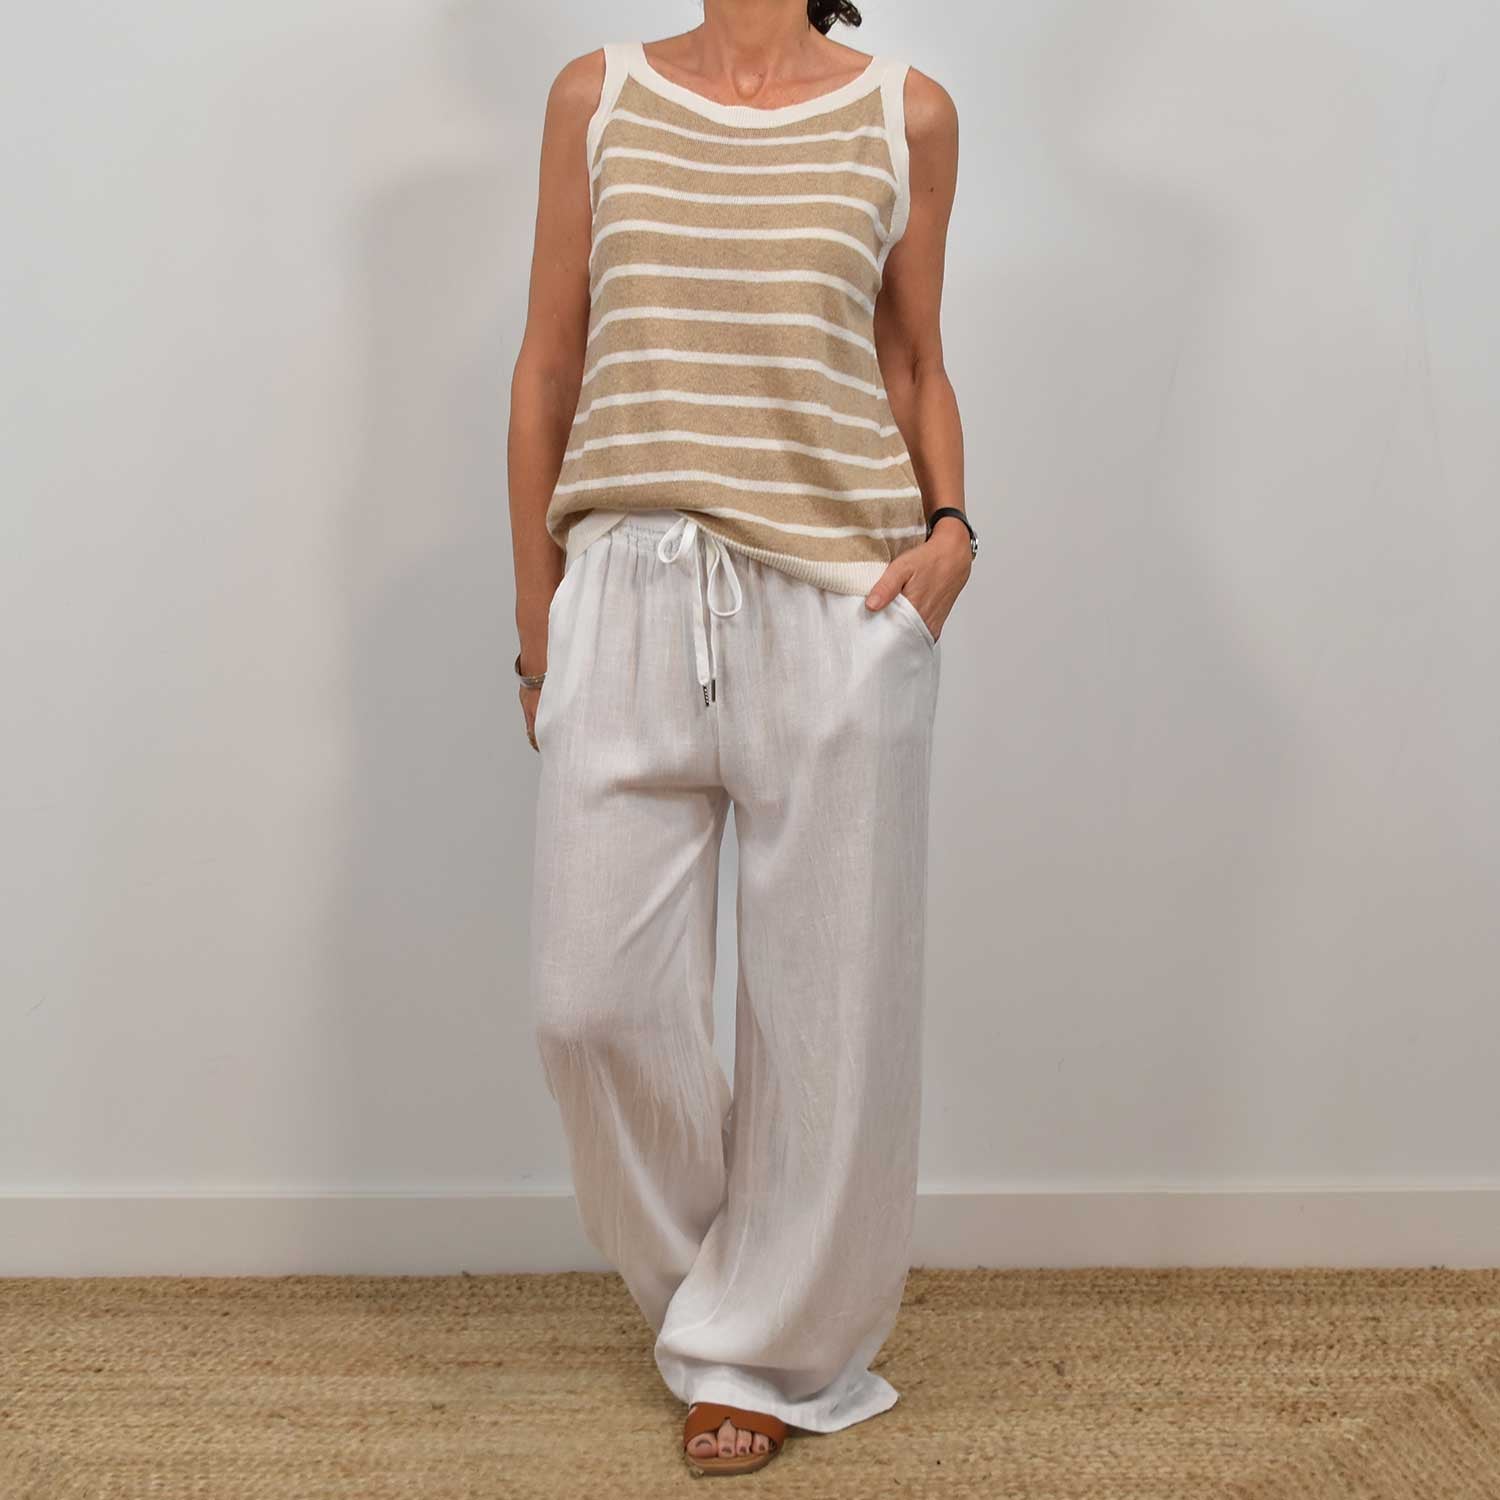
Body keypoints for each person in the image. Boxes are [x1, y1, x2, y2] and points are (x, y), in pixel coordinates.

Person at [507, 0, 968, 1476]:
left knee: (826, 1016)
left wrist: (953, 532)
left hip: (839, 600)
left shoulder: (904, 110)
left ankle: (758, 1355)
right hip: (628, 587)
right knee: (587, 1005)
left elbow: (912, 357)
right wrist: (540, 623)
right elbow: (549, 363)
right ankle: (739, 1300)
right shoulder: (597, 96)